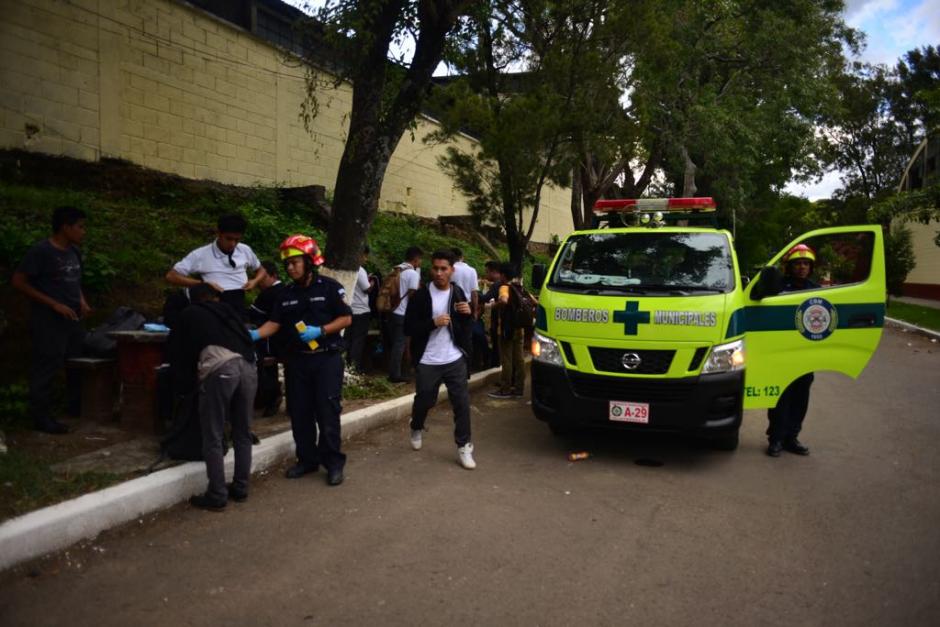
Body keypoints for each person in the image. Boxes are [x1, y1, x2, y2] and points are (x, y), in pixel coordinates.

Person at [252, 235, 352, 486]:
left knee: (327, 412)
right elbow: (274, 323)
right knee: (300, 413)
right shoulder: (285, 293)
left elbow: (345, 319)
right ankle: (307, 460)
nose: (289, 268)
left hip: (326, 359)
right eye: (287, 264)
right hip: (297, 361)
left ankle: (333, 464)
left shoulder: (329, 287)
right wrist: (253, 334)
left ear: (309, 262)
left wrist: (321, 331)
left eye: (295, 262)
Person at [173, 283, 258, 511]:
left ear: (194, 299)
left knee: (213, 432)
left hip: (221, 369)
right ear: (214, 298)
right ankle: (240, 488)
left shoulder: (190, 313)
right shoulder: (229, 310)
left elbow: (179, 350)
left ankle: (217, 494)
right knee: (242, 431)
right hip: (249, 367)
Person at [12, 206, 91, 434]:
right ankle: (41, 417)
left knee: (76, 362)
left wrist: (82, 301)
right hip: (48, 320)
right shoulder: (41, 251)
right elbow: (19, 281)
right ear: (65, 227)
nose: (83, 232)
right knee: (47, 365)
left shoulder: (74, 252)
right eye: (80, 227)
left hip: (73, 319)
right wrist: (53, 304)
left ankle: (75, 407)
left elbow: (75, 281)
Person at [404, 250, 476, 469]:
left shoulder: (458, 292)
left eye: (444, 269)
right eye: (435, 268)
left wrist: (467, 313)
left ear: (452, 270)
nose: (439, 273)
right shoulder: (421, 296)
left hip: (454, 358)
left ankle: (464, 446)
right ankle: (417, 425)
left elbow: (465, 327)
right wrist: (432, 323)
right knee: (425, 400)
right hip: (428, 360)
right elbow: (408, 327)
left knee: (462, 404)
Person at [766, 244, 821, 458]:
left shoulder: (817, 290)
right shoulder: (778, 287)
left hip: (805, 354)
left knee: (800, 397)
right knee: (781, 396)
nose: (802, 267)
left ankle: (792, 438)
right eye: (797, 263)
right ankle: (776, 438)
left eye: (806, 263)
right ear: (789, 267)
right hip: (781, 351)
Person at [166, 213, 266, 319]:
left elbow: (261, 270)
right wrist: (203, 284)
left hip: (238, 303)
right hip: (214, 304)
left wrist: (254, 281)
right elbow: (171, 276)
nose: (232, 244)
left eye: (237, 240)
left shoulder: (244, 250)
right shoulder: (201, 254)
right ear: (218, 233)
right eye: (229, 239)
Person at [248, 260, 286, 417]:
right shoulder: (288, 290)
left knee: (262, 362)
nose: (258, 283)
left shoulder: (268, 294)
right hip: (288, 341)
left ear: (273, 276)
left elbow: (252, 314)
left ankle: (270, 397)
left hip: (271, 341)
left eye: (262, 278)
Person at [489, 263, 527, 399]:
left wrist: (494, 305)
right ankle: (519, 388)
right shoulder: (520, 287)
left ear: (503, 275)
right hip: (519, 328)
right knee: (519, 359)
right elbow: (533, 302)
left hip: (506, 329)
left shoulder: (504, 287)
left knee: (506, 359)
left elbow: (504, 301)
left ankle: (505, 389)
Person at [387, 246, 422, 383]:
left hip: (393, 310)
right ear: (415, 259)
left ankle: (396, 370)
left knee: (396, 343)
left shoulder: (396, 269)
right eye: (420, 260)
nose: (420, 262)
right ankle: (395, 374)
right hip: (403, 312)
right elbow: (413, 294)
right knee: (400, 344)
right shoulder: (412, 274)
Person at [346, 246, 375, 373]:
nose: (365, 259)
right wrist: (372, 283)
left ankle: (348, 366)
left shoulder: (347, 267)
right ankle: (354, 368)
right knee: (358, 341)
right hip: (361, 310)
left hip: (350, 310)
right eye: (365, 256)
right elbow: (367, 289)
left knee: (349, 339)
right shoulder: (360, 269)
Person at [480, 260, 502, 369]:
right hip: (510, 322)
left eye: (487, 272)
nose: (486, 274)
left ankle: (495, 366)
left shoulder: (497, 284)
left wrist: (474, 293)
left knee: (497, 344)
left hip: (498, 320)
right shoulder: (507, 282)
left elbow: (485, 298)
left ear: (494, 272)